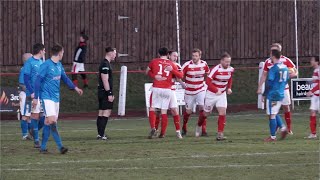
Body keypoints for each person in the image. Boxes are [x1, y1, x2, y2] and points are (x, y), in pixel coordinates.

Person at [33, 44, 83, 154]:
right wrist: (36, 98)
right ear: (60, 53)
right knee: (52, 121)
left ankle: (43, 147)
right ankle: (61, 147)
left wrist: (75, 87)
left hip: (56, 98)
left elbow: (65, 78)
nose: (63, 55)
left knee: (47, 122)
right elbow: (37, 81)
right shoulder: (46, 65)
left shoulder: (59, 65)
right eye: (63, 53)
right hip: (46, 98)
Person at [257, 43, 297, 134]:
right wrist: (260, 87)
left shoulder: (286, 60)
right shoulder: (268, 62)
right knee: (272, 110)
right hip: (273, 90)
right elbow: (264, 75)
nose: (273, 52)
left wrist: (290, 75)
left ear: (279, 51)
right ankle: (277, 128)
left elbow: (295, 72)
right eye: (272, 50)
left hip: (284, 89)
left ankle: (288, 128)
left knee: (286, 107)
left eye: (275, 50)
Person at [146, 47, 183, 138]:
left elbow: (147, 71)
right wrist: (172, 70)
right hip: (168, 90)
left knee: (153, 109)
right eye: (174, 55)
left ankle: (154, 128)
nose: (175, 57)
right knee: (164, 111)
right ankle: (161, 132)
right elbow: (181, 75)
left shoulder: (154, 61)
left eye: (176, 56)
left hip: (158, 88)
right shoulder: (172, 64)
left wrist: (155, 76)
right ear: (168, 55)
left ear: (159, 54)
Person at [197, 52, 234, 140]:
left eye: (229, 62)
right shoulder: (215, 69)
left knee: (222, 112)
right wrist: (215, 90)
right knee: (206, 113)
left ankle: (220, 134)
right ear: (221, 61)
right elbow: (208, 81)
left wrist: (229, 88)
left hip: (221, 94)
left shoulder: (231, 69)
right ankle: (199, 125)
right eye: (226, 62)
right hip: (211, 94)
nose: (228, 64)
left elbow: (230, 79)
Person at [181, 48, 210, 136]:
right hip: (189, 91)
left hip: (200, 89)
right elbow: (179, 75)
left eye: (196, 56)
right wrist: (182, 83)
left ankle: (203, 130)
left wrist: (205, 83)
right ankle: (184, 127)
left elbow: (208, 74)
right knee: (188, 111)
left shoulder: (204, 64)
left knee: (202, 108)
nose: (194, 57)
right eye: (193, 56)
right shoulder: (187, 65)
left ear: (200, 56)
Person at [264, 49, 289, 142]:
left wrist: (264, 94)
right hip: (281, 94)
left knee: (272, 115)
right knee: (274, 112)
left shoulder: (274, 68)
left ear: (273, 56)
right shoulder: (285, 68)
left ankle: (272, 136)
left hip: (273, 94)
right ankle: (283, 128)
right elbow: (286, 80)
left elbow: (269, 82)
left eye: (270, 55)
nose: (270, 57)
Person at [23, 43, 45, 148]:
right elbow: (26, 79)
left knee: (44, 117)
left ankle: (32, 131)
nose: (45, 52)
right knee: (35, 116)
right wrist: (31, 92)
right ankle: (36, 140)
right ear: (40, 51)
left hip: (42, 94)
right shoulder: (29, 62)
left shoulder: (41, 62)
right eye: (44, 50)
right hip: (32, 95)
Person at [96, 47, 117, 140]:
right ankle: (101, 134)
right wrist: (109, 93)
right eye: (115, 53)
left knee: (101, 112)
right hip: (104, 92)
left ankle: (100, 134)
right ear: (110, 53)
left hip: (101, 91)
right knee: (106, 112)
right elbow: (105, 80)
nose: (115, 55)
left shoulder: (105, 63)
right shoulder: (105, 64)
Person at [19, 53, 32, 140]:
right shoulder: (24, 70)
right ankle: (25, 135)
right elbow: (22, 84)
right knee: (25, 116)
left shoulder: (30, 69)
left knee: (30, 116)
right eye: (31, 58)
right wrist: (30, 92)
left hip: (30, 94)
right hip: (25, 95)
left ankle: (30, 134)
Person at [306, 56, 320, 139]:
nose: (311, 61)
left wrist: (311, 91)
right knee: (312, 112)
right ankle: (313, 133)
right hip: (315, 96)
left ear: (317, 61)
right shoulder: (315, 70)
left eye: (312, 60)